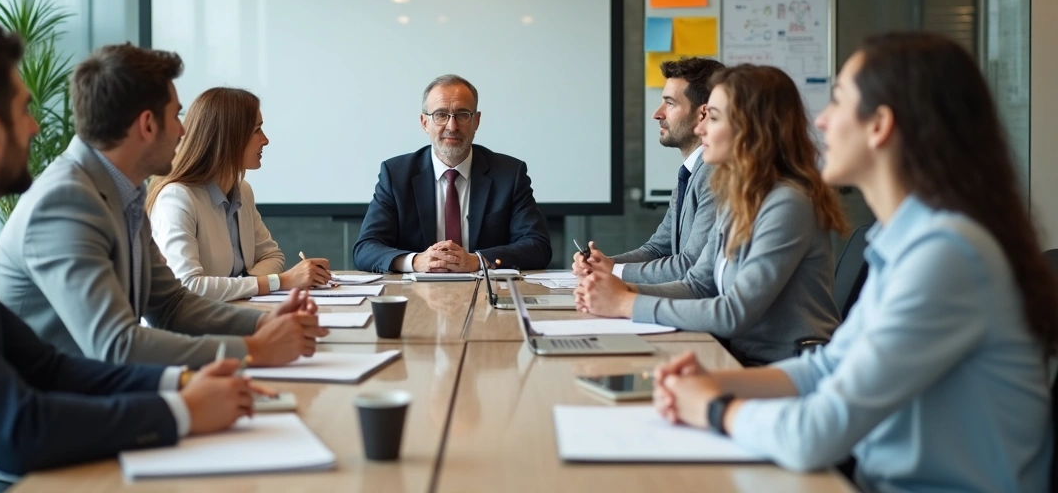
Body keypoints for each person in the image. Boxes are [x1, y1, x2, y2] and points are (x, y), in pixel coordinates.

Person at [0, 20, 261, 492]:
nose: (37, 125)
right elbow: (15, 428)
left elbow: (45, 367)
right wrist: (181, 411)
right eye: (24, 110)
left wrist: (178, 386)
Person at [653, 33, 1058, 492]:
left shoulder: (947, 256)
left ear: (880, 125)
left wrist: (712, 406)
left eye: (839, 102)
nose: (821, 122)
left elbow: (814, 435)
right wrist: (716, 379)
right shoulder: (901, 241)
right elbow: (828, 368)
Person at [0, 44, 327, 368]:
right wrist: (252, 349)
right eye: (176, 116)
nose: (184, 131)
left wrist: (259, 324)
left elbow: (171, 304)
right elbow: (116, 345)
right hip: (57, 404)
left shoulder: (124, 191)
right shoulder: (65, 203)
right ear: (147, 125)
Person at [575, 65, 846, 365]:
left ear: (752, 128)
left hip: (786, 369)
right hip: (740, 358)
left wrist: (626, 302)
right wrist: (620, 289)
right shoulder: (741, 196)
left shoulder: (788, 203)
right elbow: (698, 285)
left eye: (713, 118)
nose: (701, 127)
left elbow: (733, 313)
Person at [146, 87, 332, 302]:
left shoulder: (242, 190)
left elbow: (272, 256)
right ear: (228, 138)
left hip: (230, 314)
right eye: (257, 130)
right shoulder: (177, 198)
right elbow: (187, 286)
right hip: (187, 331)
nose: (265, 140)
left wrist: (243, 285)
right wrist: (278, 282)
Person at [353, 74, 552, 273]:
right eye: (440, 115)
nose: (452, 126)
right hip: (415, 294)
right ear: (424, 123)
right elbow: (365, 249)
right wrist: (416, 262)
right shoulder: (396, 175)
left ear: (476, 121)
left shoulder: (509, 174)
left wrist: (477, 261)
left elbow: (538, 246)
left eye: (462, 114)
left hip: (484, 294)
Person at [573, 57, 724, 284]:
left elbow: (690, 265)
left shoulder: (714, 173)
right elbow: (657, 249)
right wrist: (604, 264)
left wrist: (612, 272)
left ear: (702, 114)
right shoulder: (690, 172)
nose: (657, 113)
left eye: (670, 103)